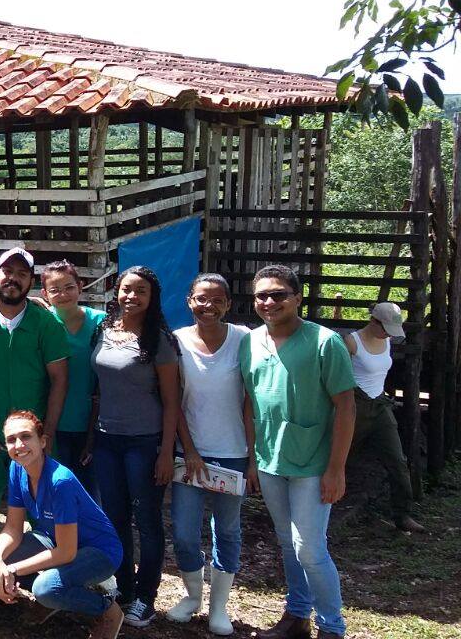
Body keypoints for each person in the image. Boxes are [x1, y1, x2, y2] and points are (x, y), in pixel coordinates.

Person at [242, 265, 355, 639]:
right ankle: (296, 616)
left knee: (308, 547)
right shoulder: (251, 342)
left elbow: (345, 406)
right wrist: (253, 458)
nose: (269, 302)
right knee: (287, 543)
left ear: (297, 298)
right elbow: (250, 404)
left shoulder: (324, 343)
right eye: (262, 296)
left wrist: (336, 469)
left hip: (313, 462)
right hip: (271, 460)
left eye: (278, 295)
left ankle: (332, 627)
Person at [0, 411, 125, 639]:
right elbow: (13, 529)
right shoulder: (17, 469)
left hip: (99, 551)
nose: (19, 445)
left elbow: (66, 552)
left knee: (45, 588)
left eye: (26, 436)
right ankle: (55, 598)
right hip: (52, 539)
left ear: (43, 441)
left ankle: (106, 609)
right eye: (11, 439)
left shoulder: (60, 481)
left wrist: (13, 569)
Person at [90, 265, 179, 628]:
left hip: (144, 443)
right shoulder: (103, 330)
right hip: (107, 439)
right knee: (115, 518)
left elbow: (173, 401)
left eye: (140, 291)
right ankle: (124, 589)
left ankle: (147, 597)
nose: (132, 296)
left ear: (151, 297)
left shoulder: (158, 340)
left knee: (147, 520)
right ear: (116, 291)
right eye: (127, 289)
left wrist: (165, 453)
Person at [166, 274, 254, 635]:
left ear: (228, 305)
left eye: (217, 300)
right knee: (185, 532)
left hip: (233, 453)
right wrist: (189, 450)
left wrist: (251, 457)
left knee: (227, 530)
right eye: (201, 299)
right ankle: (191, 597)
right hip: (189, 453)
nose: (209, 306)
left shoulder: (244, 339)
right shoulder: (177, 341)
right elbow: (175, 402)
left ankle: (219, 607)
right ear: (189, 301)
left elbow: (251, 401)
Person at [0, 246, 69, 529]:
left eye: (22, 274)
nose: (13, 278)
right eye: (7, 271)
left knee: (40, 504)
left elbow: (59, 380)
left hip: (34, 432)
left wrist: (49, 433)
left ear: (31, 282)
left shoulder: (47, 324)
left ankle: (40, 564)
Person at [343, 302, 424, 533]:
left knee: (397, 460)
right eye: (385, 327)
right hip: (356, 405)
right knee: (339, 457)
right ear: (373, 321)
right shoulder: (351, 342)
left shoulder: (387, 340)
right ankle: (319, 507)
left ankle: (402, 514)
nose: (388, 333)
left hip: (380, 405)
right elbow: (335, 375)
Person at [40, 260, 107, 497]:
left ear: (80, 286)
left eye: (69, 287)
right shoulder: (42, 323)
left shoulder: (101, 323)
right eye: (54, 290)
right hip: (53, 425)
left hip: (92, 424)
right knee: (55, 489)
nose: (63, 294)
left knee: (90, 492)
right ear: (45, 294)